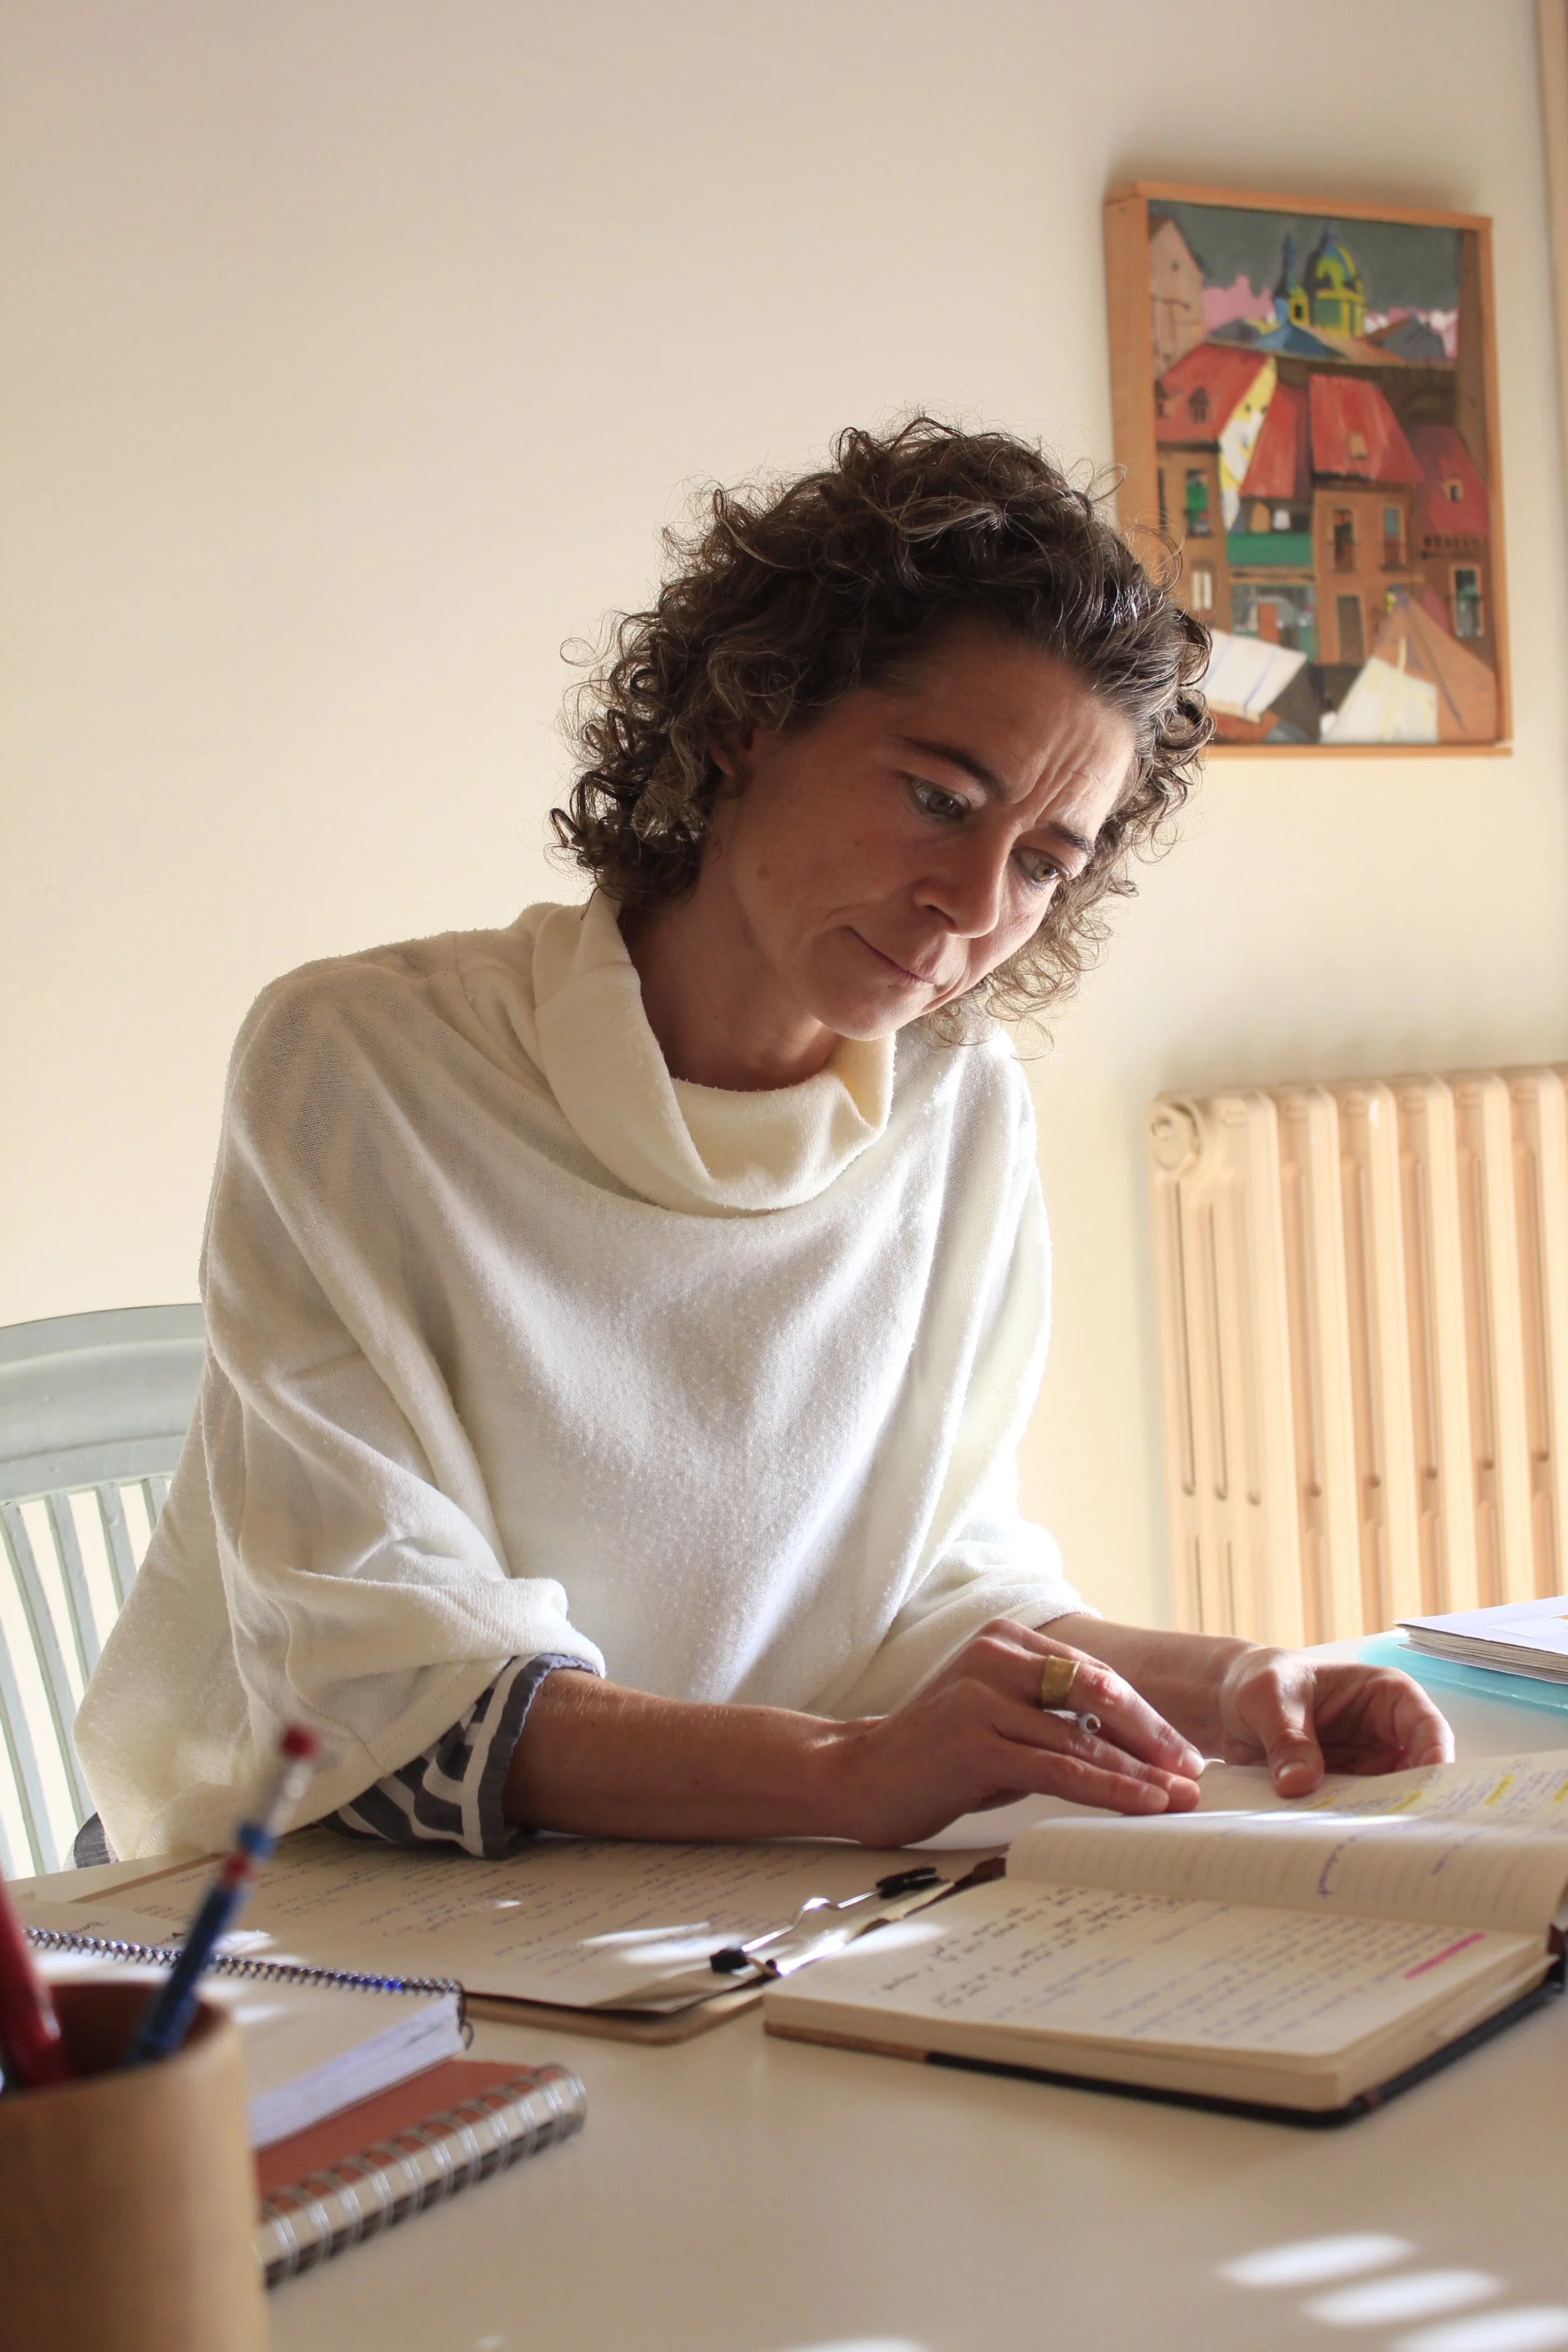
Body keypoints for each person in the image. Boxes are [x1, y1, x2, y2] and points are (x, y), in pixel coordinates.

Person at [75, 420, 1451, 1865]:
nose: (973, 906)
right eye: (935, 797)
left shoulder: (957, 1108)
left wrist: (1230, 1687)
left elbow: (923, 1591)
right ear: (746, 718)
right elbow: (375, 1680)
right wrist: (847, 1778)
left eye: (1043, 861)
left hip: (701, 1894)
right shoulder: (363, 1065)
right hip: (279, 1917)